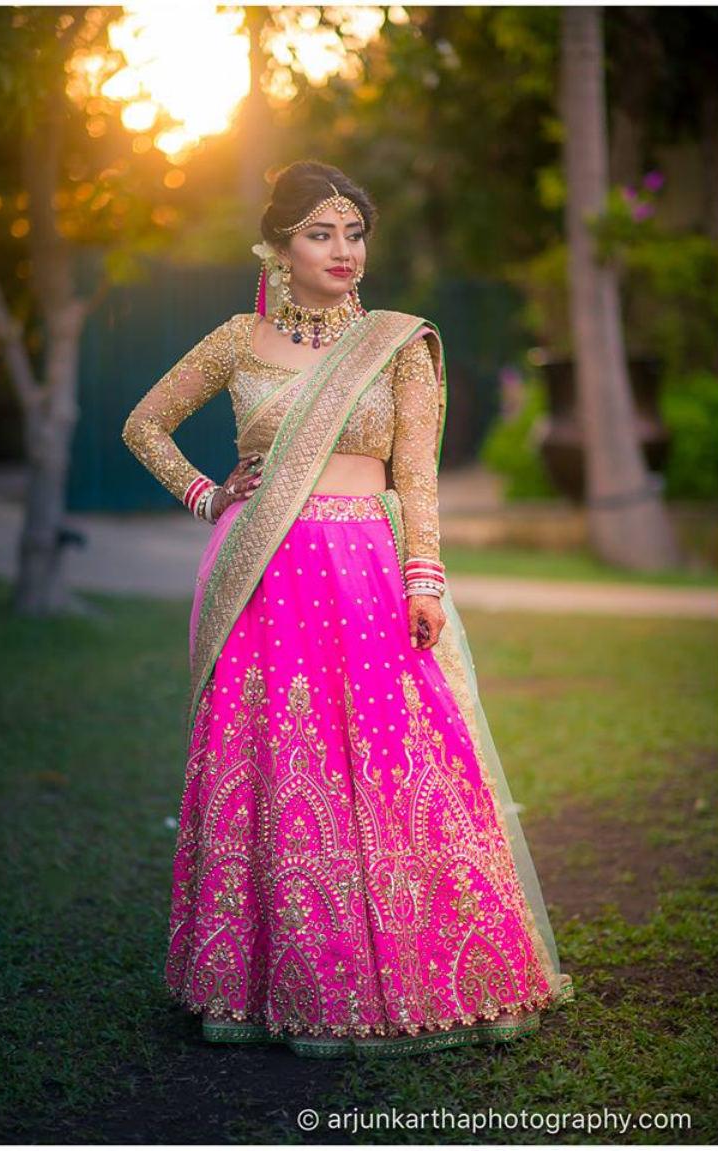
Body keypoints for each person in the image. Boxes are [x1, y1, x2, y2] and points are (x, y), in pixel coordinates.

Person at [121, 159, 573, 1058]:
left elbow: (417, 476)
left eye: (354, 233)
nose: (342, 250)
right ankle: (273, 982)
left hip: (367, 568)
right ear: (278, 245)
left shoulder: (397, 343)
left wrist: (425, 576)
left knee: (399, 756)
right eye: (321, 233)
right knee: (280, 767)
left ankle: (435, 968)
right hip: (264, 573)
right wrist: (207, 497)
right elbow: (144, 424)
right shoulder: (238, 339)